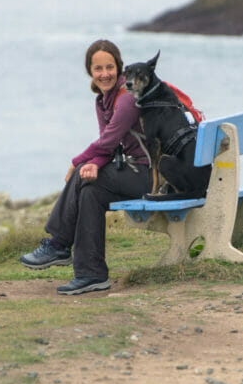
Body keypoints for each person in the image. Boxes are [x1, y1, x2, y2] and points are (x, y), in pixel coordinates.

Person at [20, 39, 151, 294]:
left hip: (155, 176)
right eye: (98, 69)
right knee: (91, 191)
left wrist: (78, 162)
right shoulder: (103, 100)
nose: (104, 74)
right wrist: (93, 164)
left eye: (110, 67)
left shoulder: (127, 97)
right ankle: (92, 275)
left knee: (82, 176)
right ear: (90, 72)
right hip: (136, 171)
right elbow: (108, 147)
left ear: (119, 67)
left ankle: (58, 244)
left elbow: (108, 140)